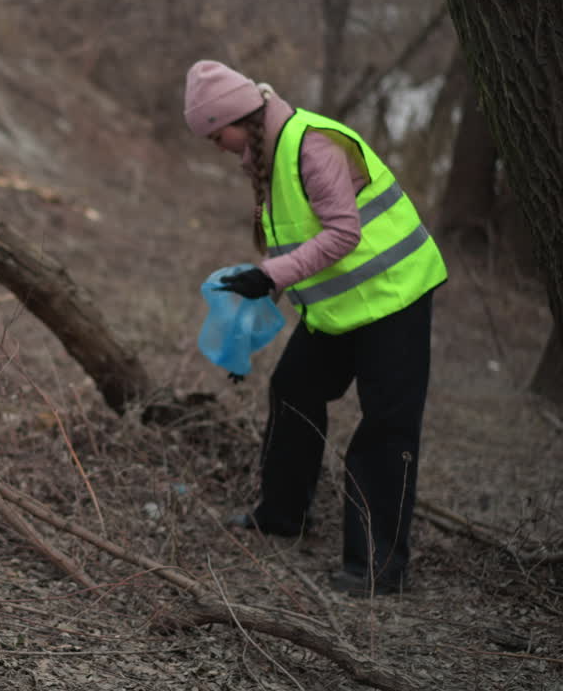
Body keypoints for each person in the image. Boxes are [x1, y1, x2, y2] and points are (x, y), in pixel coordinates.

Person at [183, 60, 448, 596]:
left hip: (395, 296)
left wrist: (269, 274)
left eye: (218, 133)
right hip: (342, 308)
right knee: (293, 389)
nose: (217, 144)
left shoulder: (312, 146)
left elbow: (343, 234)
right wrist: (248, 327)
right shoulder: (267, 156)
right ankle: (282, 515)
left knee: (386, 428)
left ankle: (376, 568)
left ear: (240, 117)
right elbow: (294, 246)